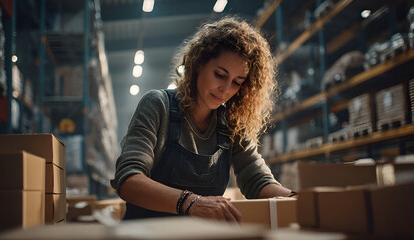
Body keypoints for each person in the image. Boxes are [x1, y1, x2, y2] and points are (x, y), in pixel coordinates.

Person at [110, 16, 294, 223]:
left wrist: (298, 200)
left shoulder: (231, 122)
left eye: (237, 82)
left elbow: (257, 179)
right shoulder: (158, 105)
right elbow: (128, 180)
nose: (226, 90)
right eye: (220, 75)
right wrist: (191, 203)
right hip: (146, 234)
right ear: (198, 64)